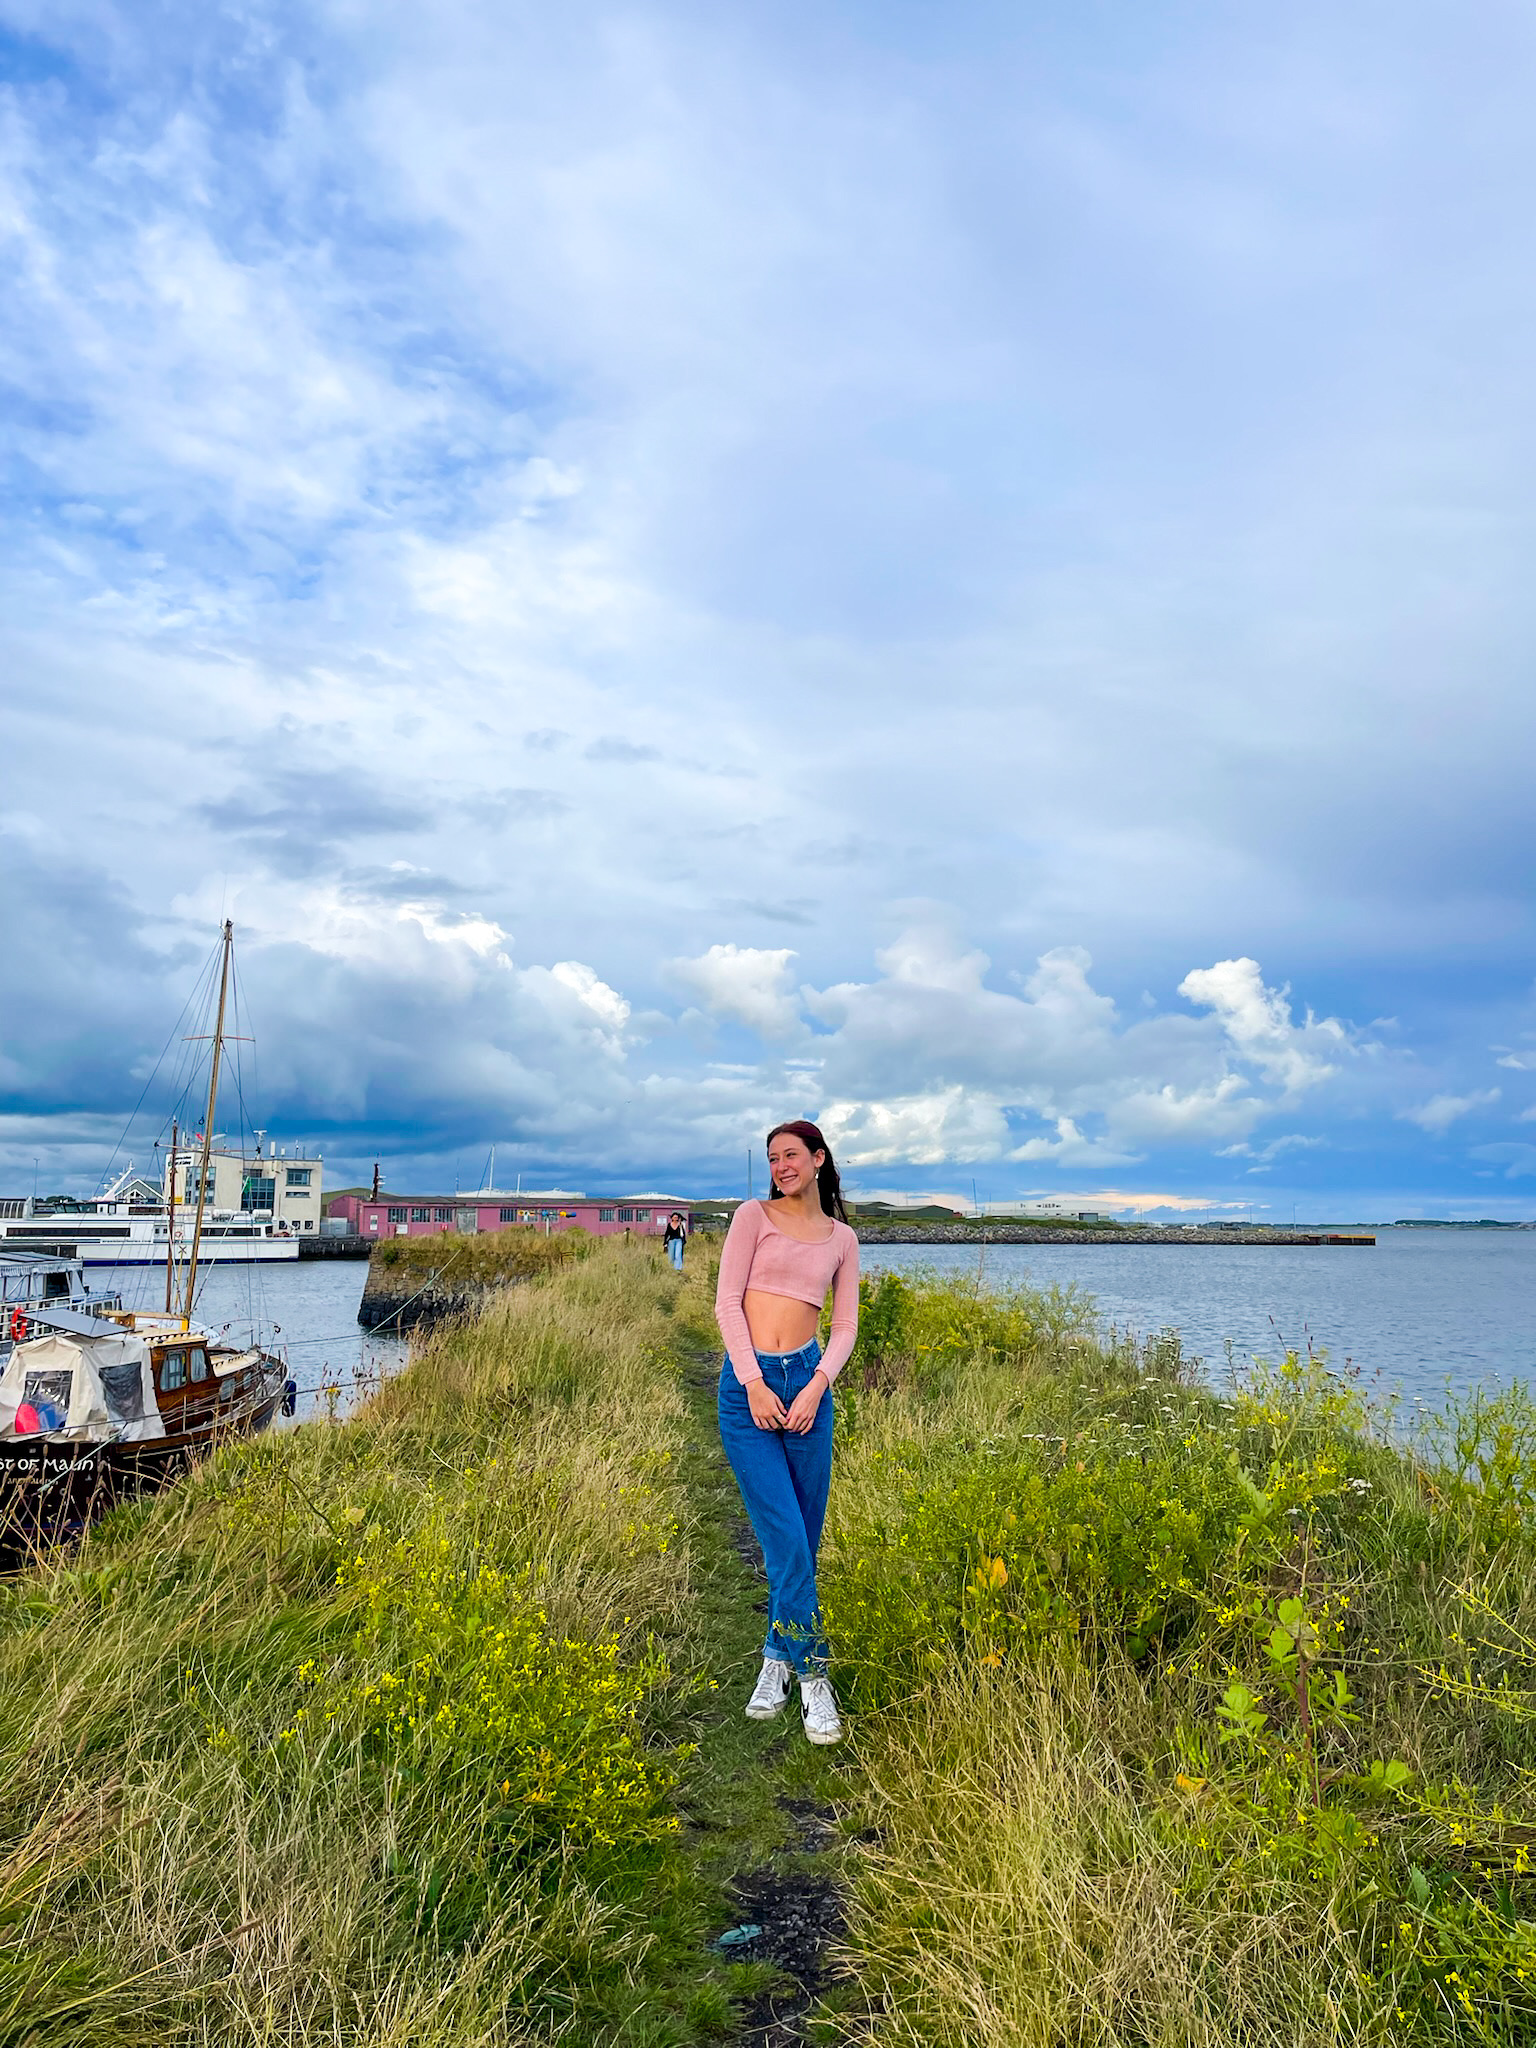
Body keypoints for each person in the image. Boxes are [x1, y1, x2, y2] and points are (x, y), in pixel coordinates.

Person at [714, 1119, 858, 1745]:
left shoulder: (842, 1238)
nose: (781, 1167)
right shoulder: (752, 1217)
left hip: (807, 1386)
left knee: (802, 1540)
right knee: (785, 1539)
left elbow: (845, 1325)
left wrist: (817, 1385)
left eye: (791, 1155)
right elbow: (726, 1303)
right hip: (747, 1391)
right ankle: (814, 1676)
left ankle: (775, 1659)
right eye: (773, 1158)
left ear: (818, 1159)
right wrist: (753, 1382)